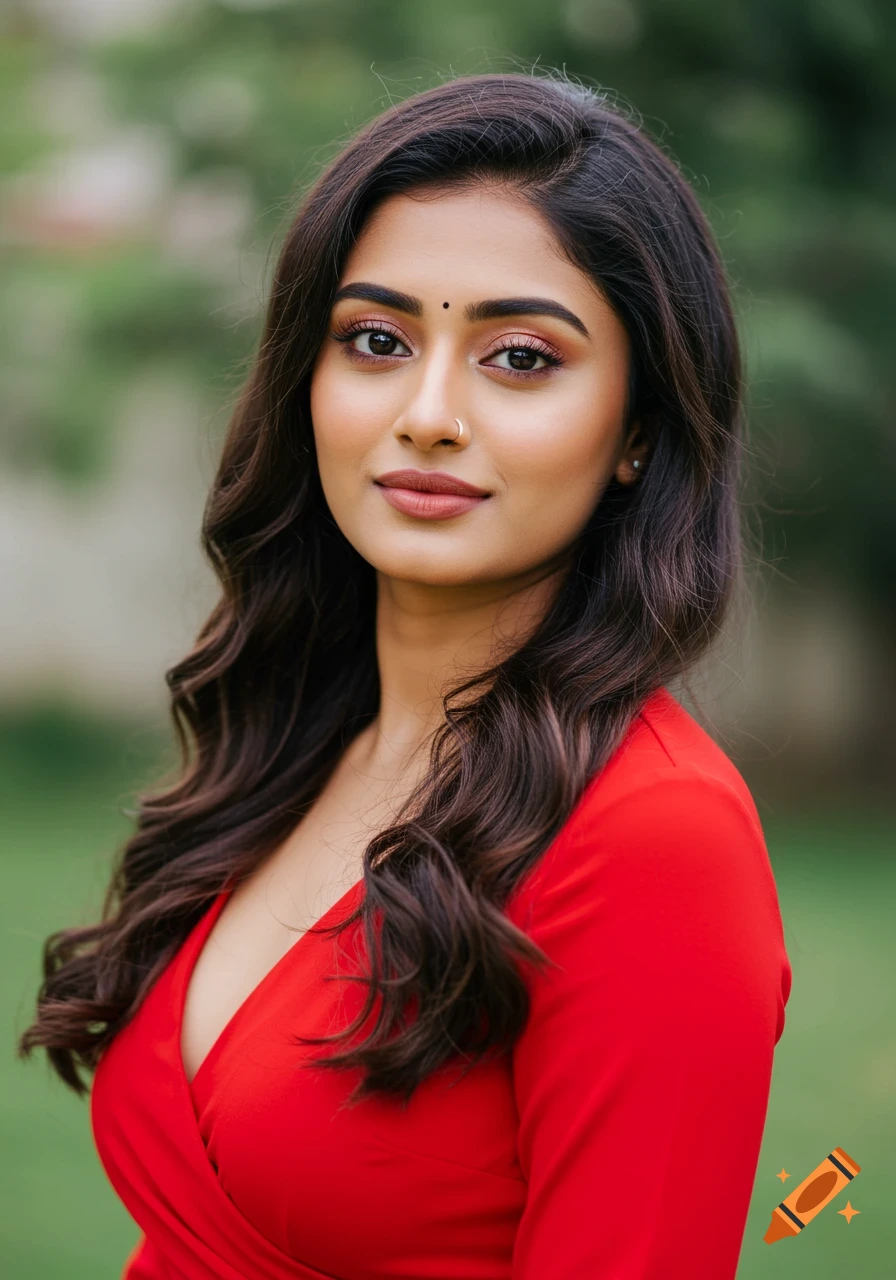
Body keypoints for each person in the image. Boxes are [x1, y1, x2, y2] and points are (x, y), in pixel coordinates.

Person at [18, 71, 792, 1278]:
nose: (427, 412)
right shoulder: (300, 747)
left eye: (521, 357)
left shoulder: (652, 838)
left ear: (638, 430)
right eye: (375, 340)